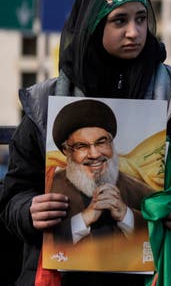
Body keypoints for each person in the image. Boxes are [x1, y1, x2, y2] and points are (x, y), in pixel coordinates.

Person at [0, 0, 171, 286]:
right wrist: (29, 210)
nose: (135, 32)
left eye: (141, 19)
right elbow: (13, 193)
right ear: (92, 25)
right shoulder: (46, 101)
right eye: (120, 21)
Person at [48, 99, 154, 245]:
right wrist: (84, 219)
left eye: (101, 142)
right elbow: (47, 240)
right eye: (81, 146)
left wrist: (126, 216)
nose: (95, 154)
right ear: (66, 151)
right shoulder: (51, 186)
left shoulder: (138, 190)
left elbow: (159, 233)